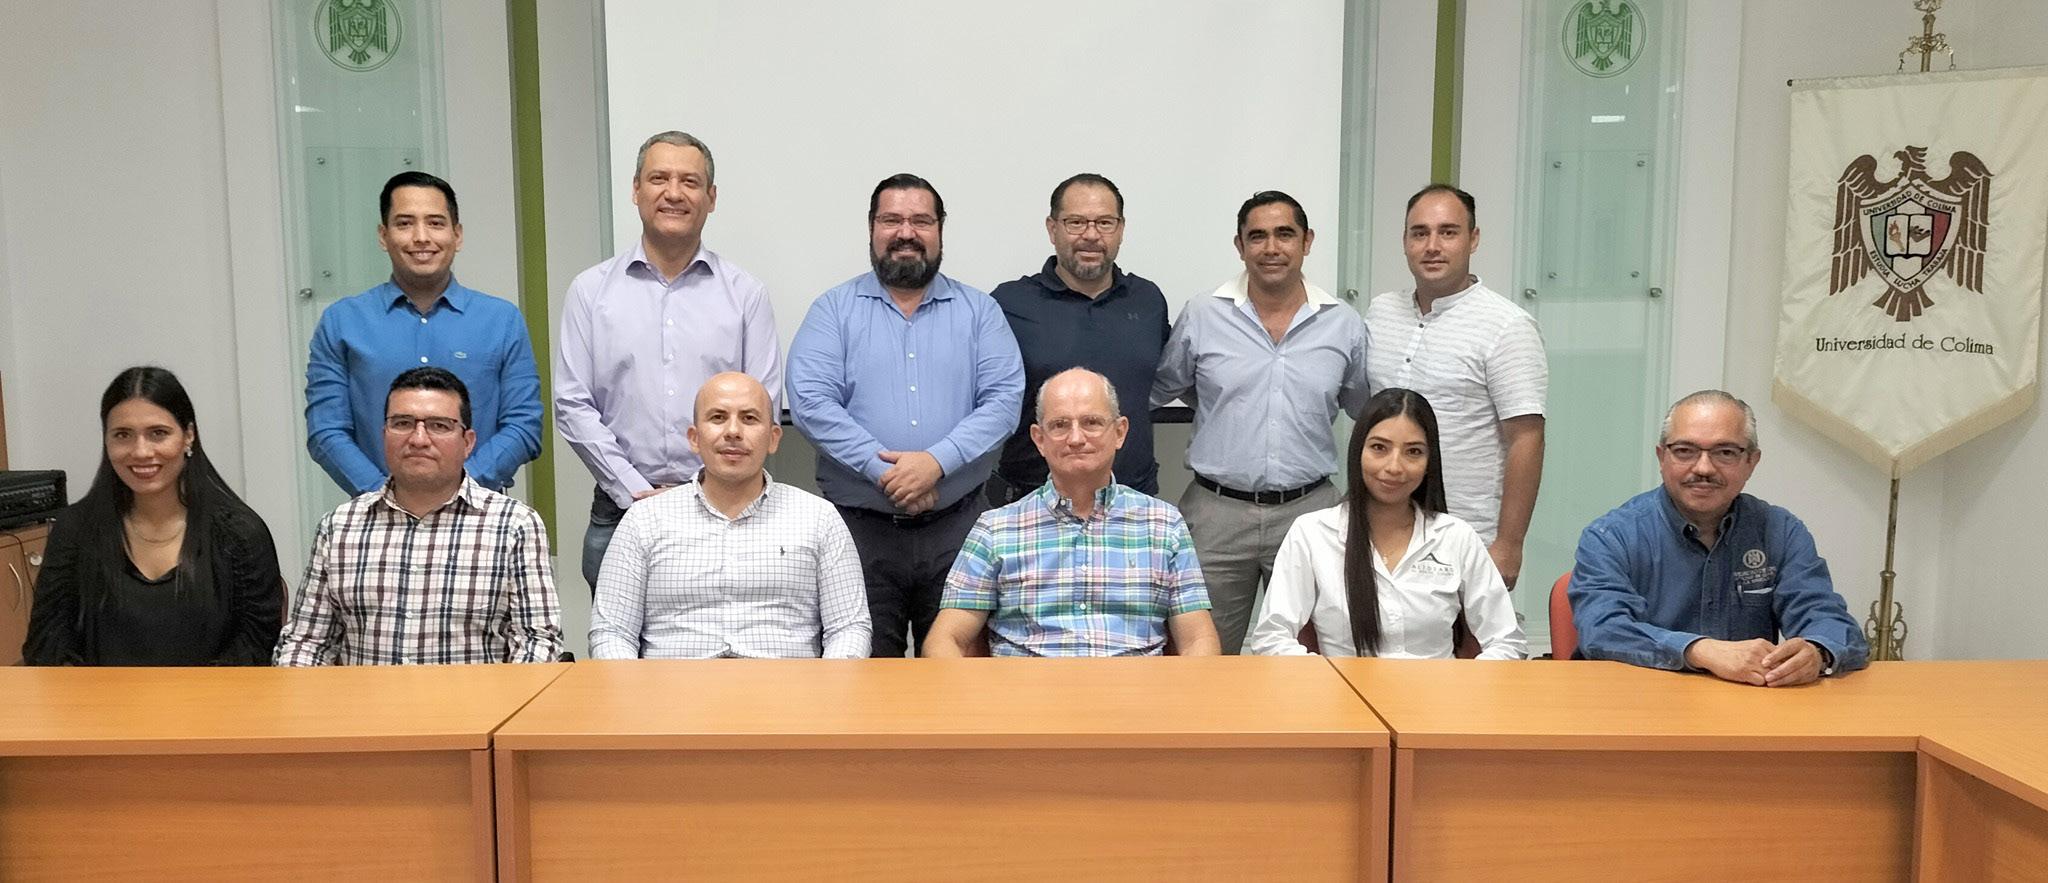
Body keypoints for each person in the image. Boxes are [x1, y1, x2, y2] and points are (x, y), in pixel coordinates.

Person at [786, 173, 1025, 657]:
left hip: (961, 530)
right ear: (871, 228)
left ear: (940, 230)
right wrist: (888, 473)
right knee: (865, 678)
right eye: (891, 220)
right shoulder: (832, 311)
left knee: (960, 675)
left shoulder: (980, 312)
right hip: (859, 532)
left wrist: (935, 463)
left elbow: (1003, 401)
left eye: (921, 221)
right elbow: (811, 402)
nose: (906, 233)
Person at [555, 131, 781, 592]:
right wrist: (634, 490)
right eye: (659, 179)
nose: (674, 193)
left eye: (689, 182)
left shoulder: (746, 295)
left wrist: (707, 487)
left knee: (725, 636)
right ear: (636, 190)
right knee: (617, 639)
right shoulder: (590, 291)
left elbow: (762, 404)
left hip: (726, 511)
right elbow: (571, 403)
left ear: (711, 198)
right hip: (620, 510)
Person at [1152, 190, 1371, 654]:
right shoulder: (1203, 314)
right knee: (1204, 655)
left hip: (1310, 511)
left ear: (1307, 241)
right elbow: (1165, 385)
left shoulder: (1343, 324)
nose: (1272, 248)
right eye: (1258, 236)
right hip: (1216, 514)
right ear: (1240, 245)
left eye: (1285, 234)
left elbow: (1365, 410)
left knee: (1317, 654)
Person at [1570, 390, 1869, 685]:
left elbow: (1829, 620)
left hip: (1746, 704)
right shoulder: (1611, 537)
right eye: (1685, 451)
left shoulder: (1781, 531)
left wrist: (1817, 652)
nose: (1703, 468)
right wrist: (1699, 650)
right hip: (1638, 702)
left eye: (1725, 452)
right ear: (1662, 457)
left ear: (1751, 462)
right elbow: (1602, 630)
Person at [275, 367, 562, 665]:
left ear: (467, 442)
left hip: (477, 697)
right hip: (368, 697)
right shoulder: (340, 527)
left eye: (439, 425)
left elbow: (537, 642)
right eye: (402, 423)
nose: (419, 439)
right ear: (384, 435)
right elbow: (306, 643)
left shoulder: (513, 526)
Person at [926, 369, 1219, 657]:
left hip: (1135, 687)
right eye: (1060, 425)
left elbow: (1198, 640)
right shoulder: (995, 530)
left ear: (1119, 432)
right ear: (1039, 439)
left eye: (1091, 422)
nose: (1076, 438)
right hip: (1026, 687)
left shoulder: (1164, 525)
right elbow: (945, 640)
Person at [589, 372, 870, 659]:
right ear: (694, 438)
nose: (733, 431)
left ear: (773, 438)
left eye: (749, 418)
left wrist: (829, 685)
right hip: (674, 685)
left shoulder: (819, 518)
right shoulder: (644, 520)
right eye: (718, 418)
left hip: (786, 685)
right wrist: (635, 687)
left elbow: (849, 628)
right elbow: (612, 632)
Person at [25, 367, 285, 665]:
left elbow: (257, 644)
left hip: (214, 695)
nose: (141, 451)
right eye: (123, 435)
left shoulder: (241, 532)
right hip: (101, 695)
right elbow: (47, 644)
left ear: (188, 436)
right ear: (107, 441)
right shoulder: (75, 530)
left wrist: (192, 694)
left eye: (158, 433)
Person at [305, 171, 543, 495]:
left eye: (435, 223)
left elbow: (524, 425)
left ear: (457, 235)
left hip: (480, 514)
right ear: (383, 235)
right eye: (404, 223)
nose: (421, 237)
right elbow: (326, 431)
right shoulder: (342, 323)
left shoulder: (502, 321)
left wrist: (460, 492)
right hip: (376, 514)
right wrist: (385, 497)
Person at [1246, 388, 1525, 658]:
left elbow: (1507, 641)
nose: (1394, 467)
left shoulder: (1456, 537)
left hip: (1437, 689)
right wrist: (1325, 678)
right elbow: (1272, 637)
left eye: (1413, 452)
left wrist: (1464, 684)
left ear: (1430, 461)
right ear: (1358, 451)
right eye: (1379, 448)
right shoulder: (1312, 534)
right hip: (1341, 689)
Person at [1364, 184, 1547, 588]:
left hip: (1466, 534)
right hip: (1380, 529)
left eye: (1448, 232)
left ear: (1473, 239)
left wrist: (1509, 544)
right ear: (1405, 241)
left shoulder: (1507, 327)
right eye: (1420, 233)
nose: (1432, 246)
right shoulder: (1381, 313)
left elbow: (1527, 438)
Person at [985, 173, 1170, 503]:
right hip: (1031, 504)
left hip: (1132, 502)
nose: (1091, 235)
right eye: (1076, 222)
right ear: (1052, 228)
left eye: (1105, 223)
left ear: (1121, 229)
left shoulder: (1147, 300)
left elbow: (1158, 384)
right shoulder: (1009, 304)